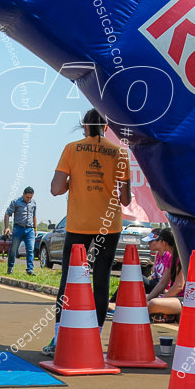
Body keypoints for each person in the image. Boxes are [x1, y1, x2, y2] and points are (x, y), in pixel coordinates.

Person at [45, 108, 131, 356]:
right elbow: (125, 199)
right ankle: (95, 338)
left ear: (84, 126)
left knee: (68, 282)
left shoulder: (71, 149)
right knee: (101, 279)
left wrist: (75, 181)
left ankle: (59, 339)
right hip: (109, 225)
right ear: (106, 128)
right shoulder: (119, 153)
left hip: (78, 224)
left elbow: (55, 189)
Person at [147, 228, 186, 320]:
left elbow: (179, 286)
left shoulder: (180, 258)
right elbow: (163, 283)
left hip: (184, 300)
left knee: (153, 304)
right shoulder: (171, 258)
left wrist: (163, 298)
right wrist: (147, 299)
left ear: (164, 242)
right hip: (174, 297)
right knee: (141, 298)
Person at [3, 186, 37, 275]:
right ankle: (10, 267)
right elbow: (7, 214)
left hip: (29, 229)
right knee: (14, 249)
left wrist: (35, 229)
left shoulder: (33, 203)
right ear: (23, 194)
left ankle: (30, 269)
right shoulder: (16, 202)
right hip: (18, 228)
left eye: (31, 197)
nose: (29, 199)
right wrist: (7, 227)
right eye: (27, 197)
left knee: (30, 249)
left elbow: (34, 216)